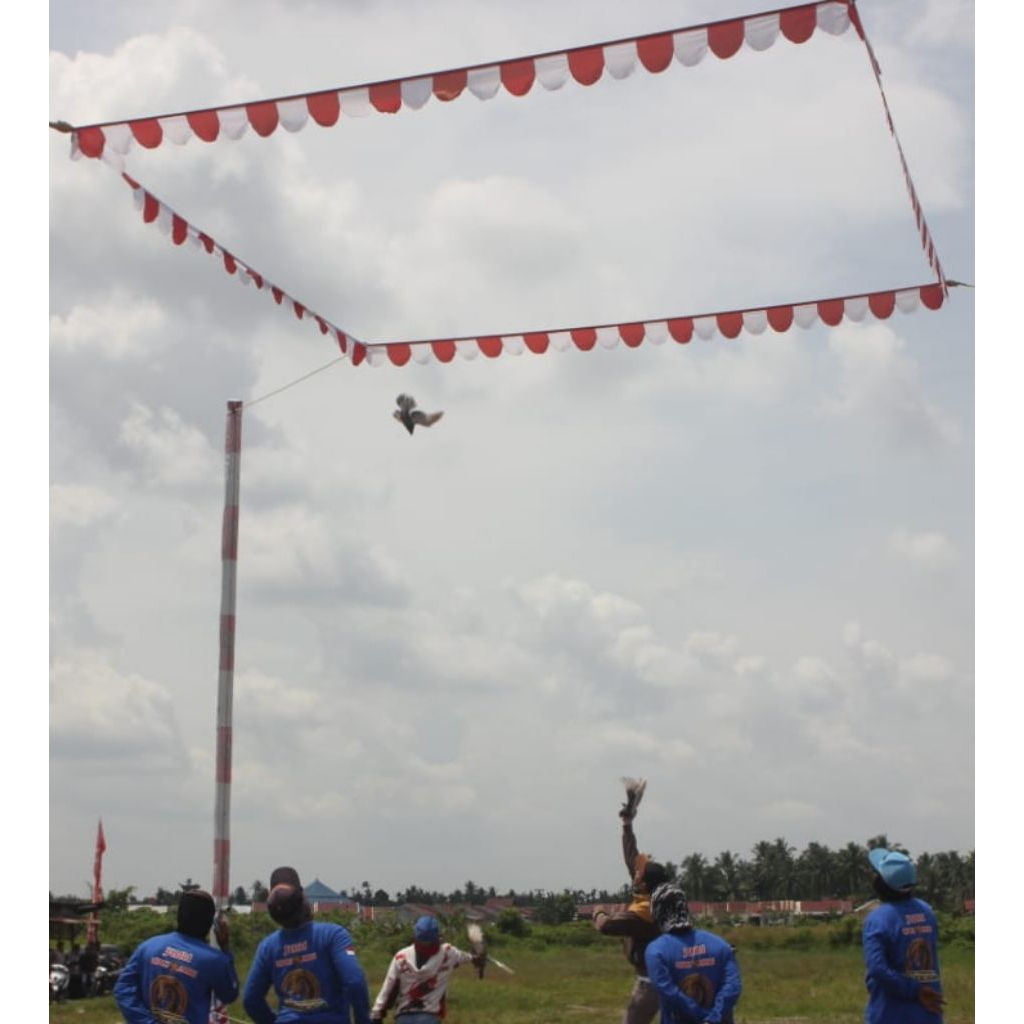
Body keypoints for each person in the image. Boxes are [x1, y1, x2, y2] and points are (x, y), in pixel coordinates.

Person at [243, 866, 373, 1024]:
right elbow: (355, 981)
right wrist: (363, 1020)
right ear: (302, 897)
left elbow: (250, 999)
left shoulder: (268, 947)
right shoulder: (333, 935)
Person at [592, 778, 672, 1024]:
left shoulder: (642, 913)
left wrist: (599, 912)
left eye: (639, 874)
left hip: (651, 984)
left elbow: (606, 927)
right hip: (669, 978)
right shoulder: (659, 898)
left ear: (644, 883)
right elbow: (632, 858)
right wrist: (627, 825)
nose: (635, 873)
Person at [113, 888, 238, 1024]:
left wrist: (145, 1021)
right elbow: (229, 994)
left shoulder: (148, 947)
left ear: (179, 915)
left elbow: (122, 989)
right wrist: (225, 950)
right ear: (210, 922)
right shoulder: (214, 960)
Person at [862, 847, 944, 1022]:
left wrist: (914, 990)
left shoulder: (878, 919)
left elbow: (877, 969)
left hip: (890, 1013)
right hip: (928, 1012)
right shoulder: (927, 911)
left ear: (881, 883)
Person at [644, 883, 741, 1024]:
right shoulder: (721, 945)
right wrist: (713, 1019)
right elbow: (732, 986)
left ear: (657, 912)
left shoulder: (655, 951)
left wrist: (699, 1016)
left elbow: (667, 991)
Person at [370, 915, 485, 1023]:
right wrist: (478, 958)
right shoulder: (448, 953)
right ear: (437, 937)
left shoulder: (401, 957)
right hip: (430, 1017)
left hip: (403, 1017)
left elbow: (388, 988)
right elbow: (469, 958)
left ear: (416, 935)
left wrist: (377, 1014)